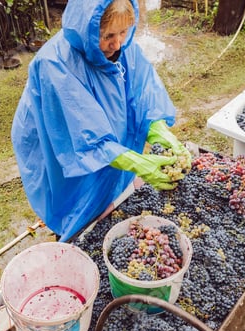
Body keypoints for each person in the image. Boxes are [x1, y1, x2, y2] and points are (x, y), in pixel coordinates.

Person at [11, 0, 191, 242]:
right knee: (75, 202)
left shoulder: (123, 49)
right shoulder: (54, 66)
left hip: (99, 138)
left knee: (107, 188)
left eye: (123, 32)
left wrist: (159, 130)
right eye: (108, 35)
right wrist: (138, 163)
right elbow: (85, 141)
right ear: (87, 29)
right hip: (60, 144)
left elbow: (143, 95)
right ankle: (72, 237)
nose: (117, 43)